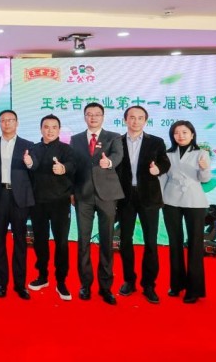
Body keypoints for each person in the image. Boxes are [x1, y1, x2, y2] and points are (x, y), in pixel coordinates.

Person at [115, 106, 171, 304]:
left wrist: (158, 169)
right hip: (125, 197)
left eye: (140, 118)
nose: (135, 121)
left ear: (145, 121)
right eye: (132, 117)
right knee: (125, 241)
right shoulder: (116, 141)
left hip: (149, 197)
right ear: (125, 120)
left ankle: (149, 285)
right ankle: (129, 280)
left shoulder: (156, 141)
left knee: (150, 242)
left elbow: (165, 162)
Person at [70, 102, 124, 305]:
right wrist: (71, 192)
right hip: (83, 196)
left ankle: (106, 286)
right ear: (84, 117)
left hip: (107, 195)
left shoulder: (114, 137)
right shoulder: (75, 139)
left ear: (103, 116)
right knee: (83, 241)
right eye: (89, 114)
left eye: (97, 114)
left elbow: (118, 156)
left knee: (107, 240)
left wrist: (108, 162)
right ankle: (85, 284)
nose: (93, 117)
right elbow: (73, 167)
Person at [24, 114, 75, 301]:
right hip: (38, 203)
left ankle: (61, 281)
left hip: (60, 203)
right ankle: (42, 276)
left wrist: (63, 168)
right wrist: (29, 163)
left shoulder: (66, 149)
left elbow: (73, 167)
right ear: (41, 129)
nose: (50, 130)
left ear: (59, 130)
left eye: (54, 127)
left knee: (61, 242)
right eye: (46, 127)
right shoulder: (33, 149)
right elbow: (32, 166)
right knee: (40, 241)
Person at [161, 120, 211, 304]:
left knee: (195, 244)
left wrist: (204, 169)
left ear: (192, 134)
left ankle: (194, 289)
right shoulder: (167, 154)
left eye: (184, 132)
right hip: (170, 200)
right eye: (176, 133)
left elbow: (204, 179)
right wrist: (159, 199)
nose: (180, 136)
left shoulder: (201, 153)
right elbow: (162, 178)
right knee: (174, 243)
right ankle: (176, 285)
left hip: (194, 201)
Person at [0, 110, 33, 300]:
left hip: (19, 198)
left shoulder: (28, 145)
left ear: (17, 122)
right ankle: (1, 283)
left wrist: (30, 164)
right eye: (3, 120)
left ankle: (20, 284)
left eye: (10, 120)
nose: (7, 123)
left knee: (20, 241)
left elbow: (34, 173)